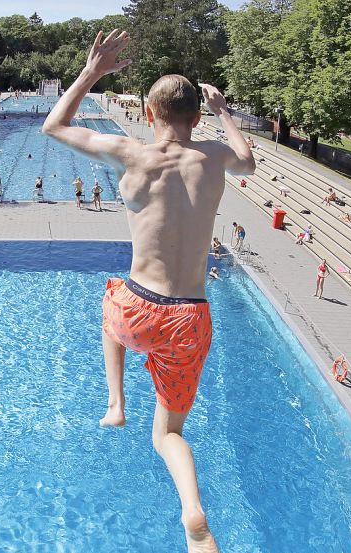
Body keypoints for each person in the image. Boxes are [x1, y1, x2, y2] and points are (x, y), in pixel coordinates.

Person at [42, 29, 255, 552]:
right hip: (190, 317)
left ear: (146, 110)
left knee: (111, 300)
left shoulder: (132, 153)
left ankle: (115, 403)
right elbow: (247, 159)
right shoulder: (213, 158)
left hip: (138, 308)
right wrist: (225, 111)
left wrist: (94, 71)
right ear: (198, 119)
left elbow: (53, 125)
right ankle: (193, 511)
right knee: (169, 436)